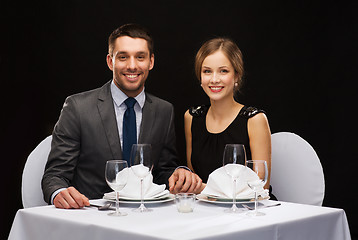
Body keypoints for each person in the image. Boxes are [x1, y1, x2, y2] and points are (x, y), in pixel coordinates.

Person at [42, 23, 202, 209]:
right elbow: (54, 175)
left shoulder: (164, 110)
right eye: (123, 57)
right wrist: (58, 192)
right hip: (93, 216)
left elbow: (162, 171)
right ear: (111, 62)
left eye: (140, 57)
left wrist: (179, 173)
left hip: (147, 217)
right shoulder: (77, 107)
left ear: (151, 62)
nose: (132, 66)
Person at [184, 37, 275, 196]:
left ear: (237, 76)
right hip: (205, 209)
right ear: (200, 77)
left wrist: (205, 190)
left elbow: (261, 187)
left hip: (248, 211)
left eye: (223, 71)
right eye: (207, 71)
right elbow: (193, 180)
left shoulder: (254, 120)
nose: (214, 79)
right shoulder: (192, 117)